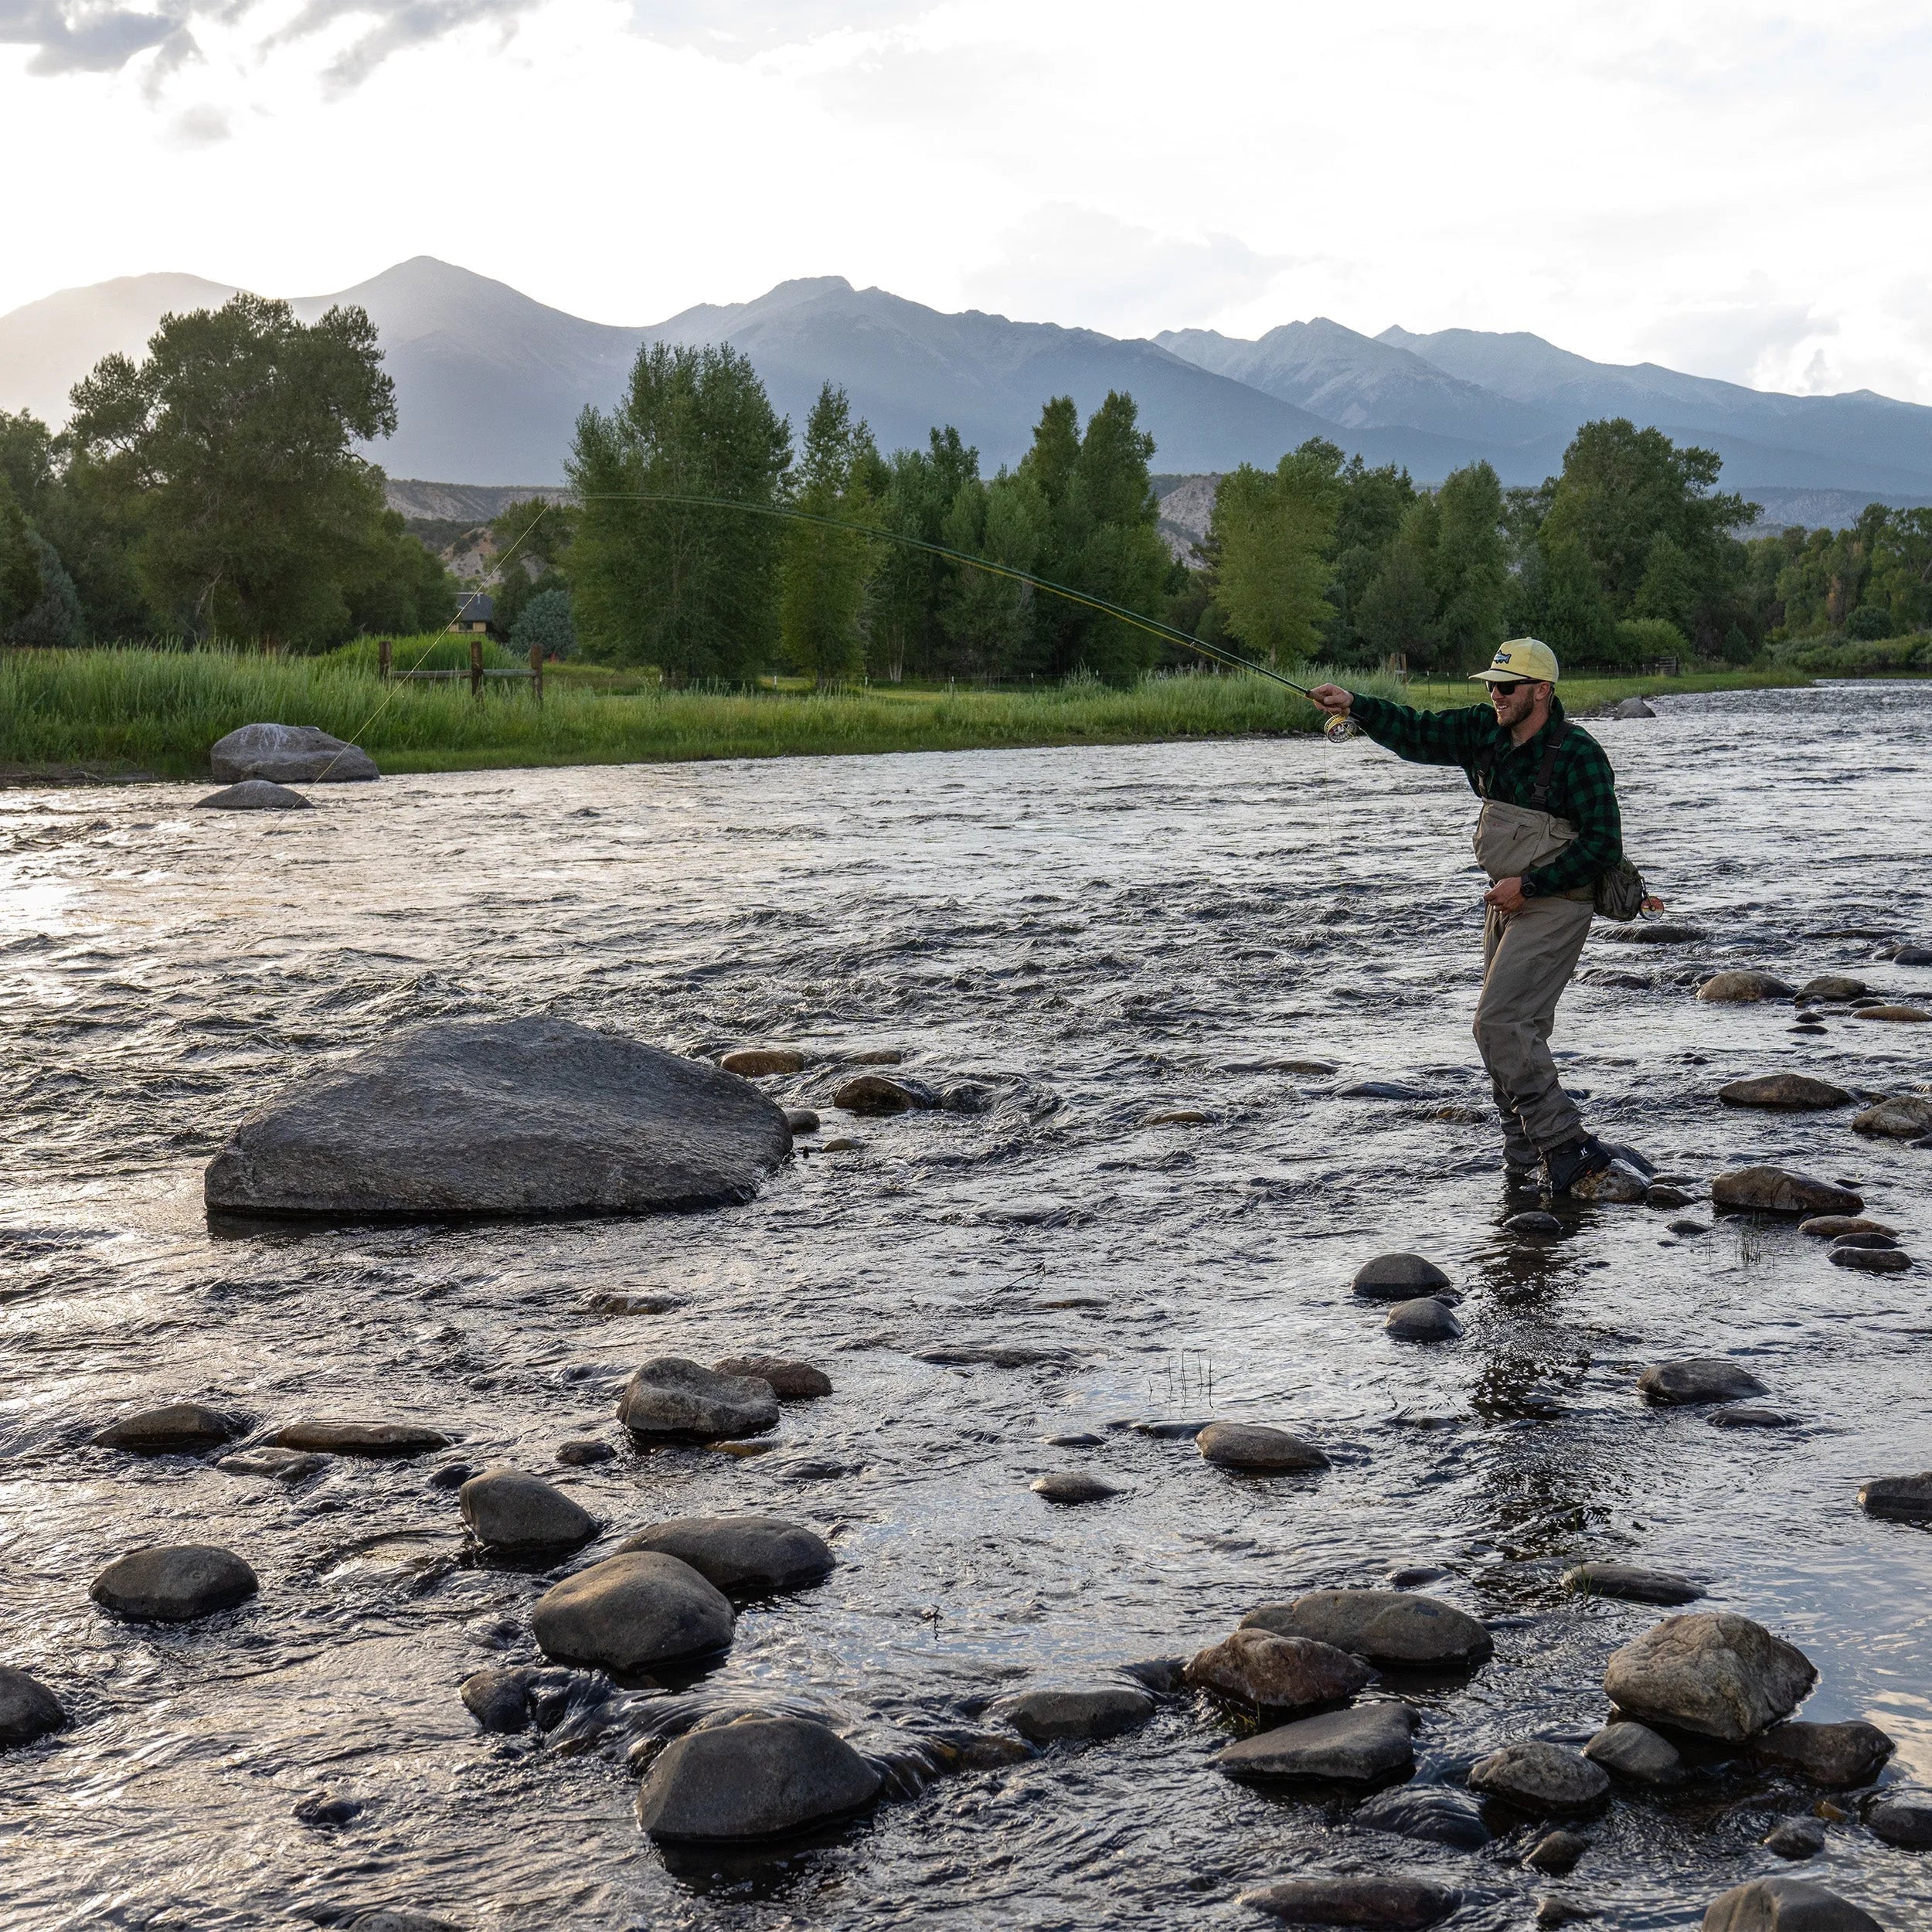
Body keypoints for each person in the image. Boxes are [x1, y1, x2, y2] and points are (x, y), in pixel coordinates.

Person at [1308, 638, 1622, 1195]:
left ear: (1542, 691)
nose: (1495, 695)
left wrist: (1529, 885)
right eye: (1491, 685)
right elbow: (1417, 731)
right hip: (1509, 900)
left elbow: (1603, 846)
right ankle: (1524, 1154)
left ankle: (1568, 1146)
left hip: (1557, 901)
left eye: (1507, 687)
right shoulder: (1483, 731)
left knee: (1498, 1024)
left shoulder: (1579, 754)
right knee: (1510, 1032)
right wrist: (1355, 705)